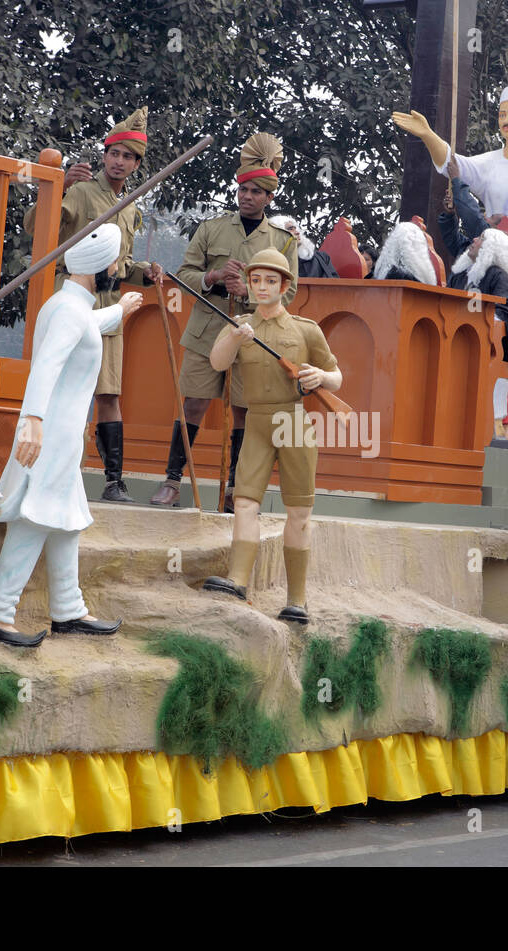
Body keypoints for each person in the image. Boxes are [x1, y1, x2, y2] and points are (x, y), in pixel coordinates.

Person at [0, 227, 142, 645]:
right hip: (51, 434)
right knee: (38, 516)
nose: (118, 268)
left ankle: (68, 610)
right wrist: (32, 419)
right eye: (115, 261)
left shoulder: (69, 305)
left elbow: (89, 323)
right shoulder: (69, 311)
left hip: (62, 437)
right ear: (99, 266)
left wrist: (120, 309)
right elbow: (46, 365)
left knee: (65, 522)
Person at [393, 84, 508, 429]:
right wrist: (428, 135)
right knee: (494, 334)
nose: (507, 121)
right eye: (502, 114)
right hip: (495, 265)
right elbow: (452, 165)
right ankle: (497, 414)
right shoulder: (489, 164)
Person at [150, 132, 298, 511]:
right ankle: (171, 481)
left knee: (244, 412)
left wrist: (249, 292)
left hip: (252, 336)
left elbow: (291, 292)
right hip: (206, 331)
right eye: (243, 190)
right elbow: (184, 275)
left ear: (269, 198)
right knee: (194, 405)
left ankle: (234, 489)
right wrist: (215, 278)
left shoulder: (282, 241)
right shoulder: (211, 228)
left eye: (255, 192)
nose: (246, 196)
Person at [24, 107, 163, 504]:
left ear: (137, 164)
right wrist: (57, 187)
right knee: (59, 383)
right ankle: (45, 467)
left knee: (108, 394)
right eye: (114, 153)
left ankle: (113, 481)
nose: (119, 162)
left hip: (112, 303)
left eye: (128, 157)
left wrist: (145, 273)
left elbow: (124, 262)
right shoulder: (82, 191)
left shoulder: (132, 205)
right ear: (105, 155)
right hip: (74, 297)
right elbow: (36, 227)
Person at [201, 249, 341, 625]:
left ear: (285, 286)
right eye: (256, 280)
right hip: (257, 423)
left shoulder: (305, 329)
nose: (261, 287)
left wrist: (319, 378)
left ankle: (297, 599)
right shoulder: (241, 325)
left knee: (298, 512)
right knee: (245, 502)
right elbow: (217, 362)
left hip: (294, 421)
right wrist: (234, 337)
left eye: (270, 281)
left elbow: (336, 375)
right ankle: (238, 580)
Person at [448, 227, 508, 370]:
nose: (474, 239)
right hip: (455, 340)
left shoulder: (498, 276)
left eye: (481, 238)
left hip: (482, 346)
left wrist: (474, 323)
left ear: (490, 248)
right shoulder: (459, 276)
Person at [268, 214, 338, 278]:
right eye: (290, 229)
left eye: (295, 228)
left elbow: (337, 285)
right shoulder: (268, 262)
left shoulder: (322, 257)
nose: (297, 232)